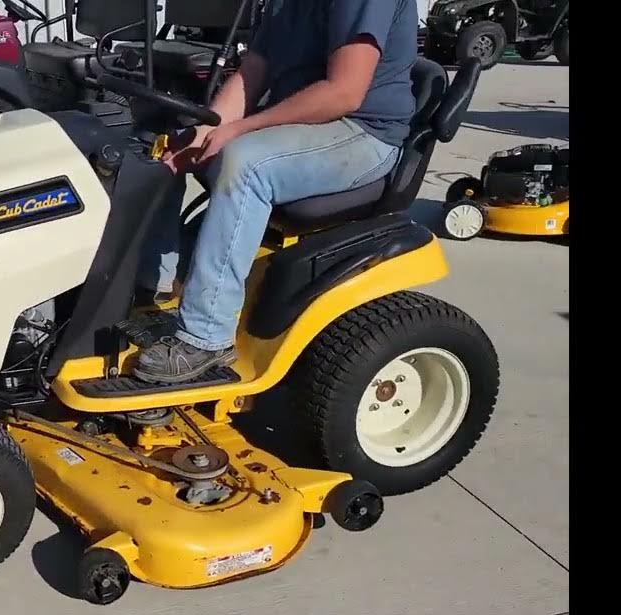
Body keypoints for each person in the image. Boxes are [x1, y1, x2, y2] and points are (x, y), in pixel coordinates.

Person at [132, 0, 420, 384]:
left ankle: (206, 337)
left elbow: (344, 93)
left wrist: (240, 130)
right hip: (306, 124)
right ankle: (153, 288)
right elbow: (253, 71)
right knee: (160, 144)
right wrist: (204, 130)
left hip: (362, 133)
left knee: (245, 163)